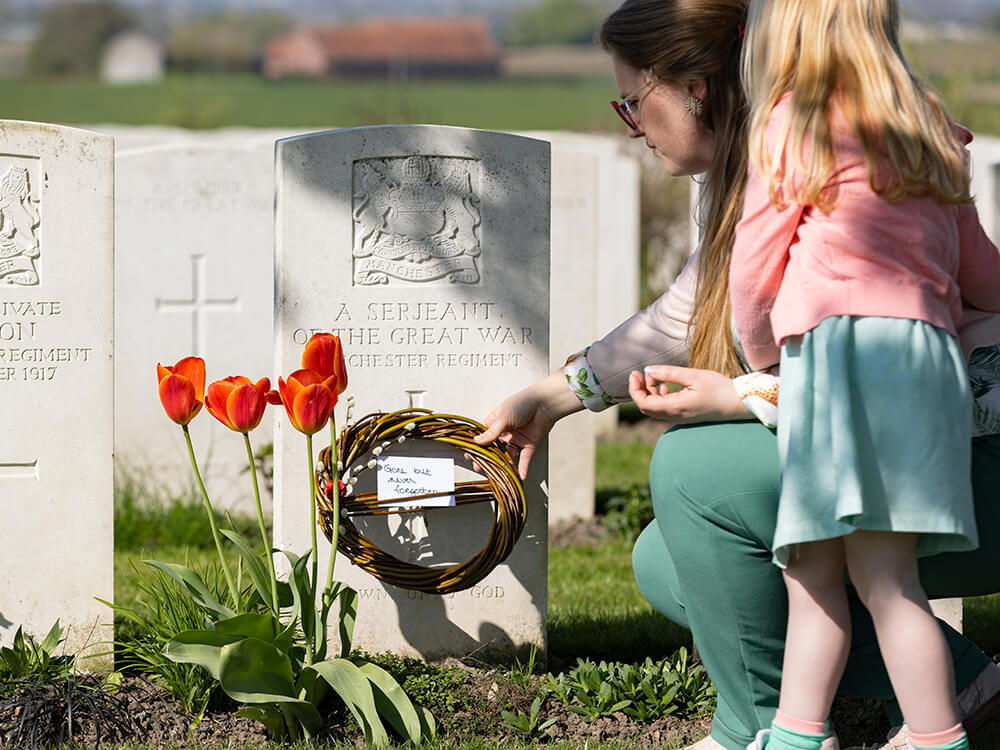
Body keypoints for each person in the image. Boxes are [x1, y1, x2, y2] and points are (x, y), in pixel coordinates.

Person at [473, 1, 1000, 749]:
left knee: (700, 476)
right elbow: (685, 317)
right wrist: (560, 395)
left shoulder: (787, 139)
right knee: (675, 563)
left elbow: (747, 296)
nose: (633, 126)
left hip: (968, 440)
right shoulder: (919, 134)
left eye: (634, 102)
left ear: (695, 86)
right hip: (930, 412)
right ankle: (949, 694)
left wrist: (750, 378)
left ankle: (762, 730)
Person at [708, 0, 1000, 749]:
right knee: (886, 578)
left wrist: (761, 356)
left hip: (841, 363)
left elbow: (753, 271)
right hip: (928, 365)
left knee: (817, 576)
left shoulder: (790, 120)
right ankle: (808, 733)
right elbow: (984, 277)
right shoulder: (927, 123)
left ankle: (902, 737)